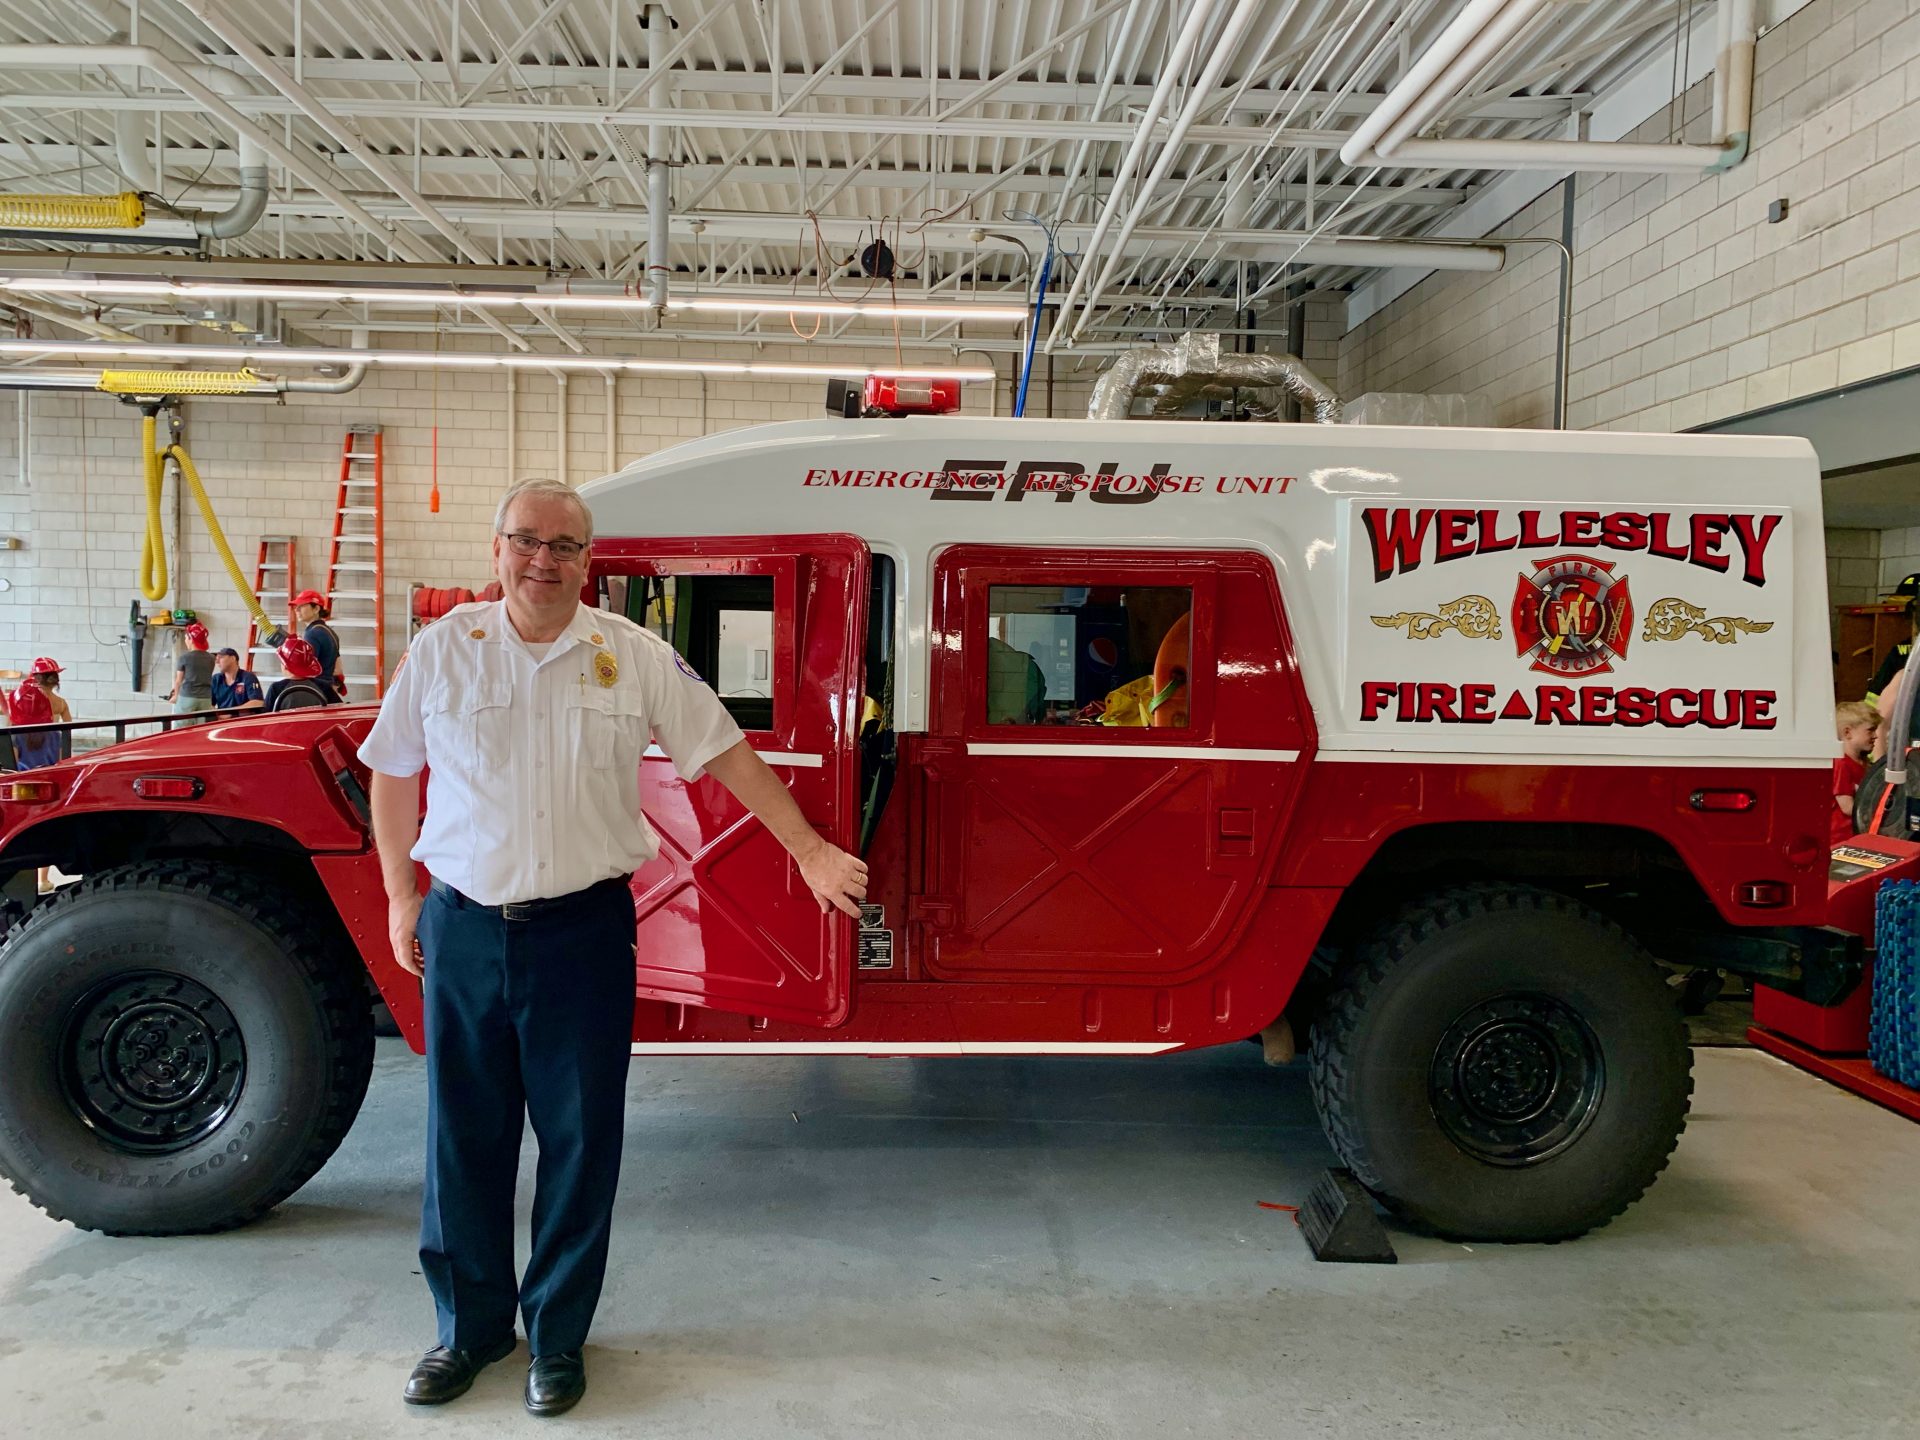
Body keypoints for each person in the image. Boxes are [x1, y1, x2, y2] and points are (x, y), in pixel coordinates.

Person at [358, 477, 867, 1417]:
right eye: (528, 541)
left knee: (581, 1141)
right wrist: (400, 896)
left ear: (590, 561)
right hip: (465, 928)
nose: (543, 561)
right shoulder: (444, 651)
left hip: (582, 935)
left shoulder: (631, 657)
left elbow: (725, 754)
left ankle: (555, 1337)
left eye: (565, 546)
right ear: (496, 547)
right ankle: (468, 1332)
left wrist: (809, 848)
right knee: (461, 1140)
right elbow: (393, 775)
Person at [1833, 700, 1879, 847]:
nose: (1876, 736)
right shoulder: (1841, 763)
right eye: (1870, 730)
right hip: (1840, 840)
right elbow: (1847, 806)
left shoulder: (1865, 763)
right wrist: (1877, 817)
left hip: (1857, 836)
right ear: (1848, 733)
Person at [293, 589, 348, 699]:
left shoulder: (312, 634)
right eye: (296, 606)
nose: (297, 610)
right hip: (327, 690)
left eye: (302, 606)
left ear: (316, 609)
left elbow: (307, 669)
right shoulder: (329, 631)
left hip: (316, 691)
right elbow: (338, 668)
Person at [166, 623, 217, 718]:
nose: (185, 640)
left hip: (187, 697)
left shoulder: (184, 658)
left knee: (182, 728)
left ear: (191, 640)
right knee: (202, 728)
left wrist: (176, 696)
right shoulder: (211, 658)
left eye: (186, 638)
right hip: (205, 698)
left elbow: (178, 681)